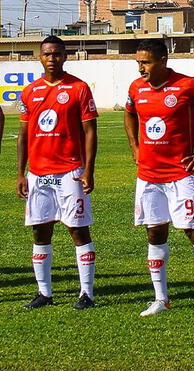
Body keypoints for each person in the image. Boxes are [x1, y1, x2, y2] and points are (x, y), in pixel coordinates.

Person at [124, 39, 194, 319]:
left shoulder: (188, 85)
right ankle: (161, 299)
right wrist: (134, 146)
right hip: (148, 176)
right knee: (154, 233)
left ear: (163, 61)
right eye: (138, 62)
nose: (140, 68)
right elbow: (129, 112)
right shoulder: (136, 88)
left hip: (181, 174)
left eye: (145, 62)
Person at [16, 35, 98, 310]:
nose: (52, 59)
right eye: (47, 54)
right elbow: (23, 135)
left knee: (78, 230)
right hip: (38, 174)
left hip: (70, 173)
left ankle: (86, 294)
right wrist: (21, 173)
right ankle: (44, 293)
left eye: (57, 54)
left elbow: (90, 131)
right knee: (40, 232)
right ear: (40, 57)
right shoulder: (29, 91)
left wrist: (88, 169)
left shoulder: (78, 88)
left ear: (66, 56)